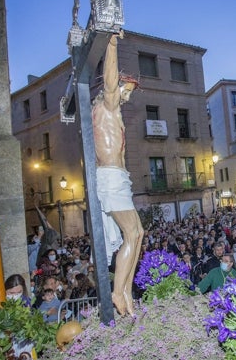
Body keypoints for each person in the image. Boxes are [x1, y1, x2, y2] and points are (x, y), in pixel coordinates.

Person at [93, 30, 144, 316]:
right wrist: (112, 41)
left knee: (138, 233)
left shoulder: (114, 113)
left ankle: (125, 289)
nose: (126, 96)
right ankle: (117, 290)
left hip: (118, 178)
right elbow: (110, 80)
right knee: (132, 231)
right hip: (111, 177)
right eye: (126, 90)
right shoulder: (107, 104)